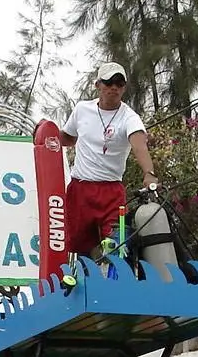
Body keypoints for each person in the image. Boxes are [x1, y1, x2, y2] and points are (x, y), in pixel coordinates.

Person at [61, 62, 158, 259]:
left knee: (117, 246)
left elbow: (139, 146)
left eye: (119, 83)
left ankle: (117, 283)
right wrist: (46, 135)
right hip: (80, 190)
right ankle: (84, 284)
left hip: (111, 192)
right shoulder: (82, 110)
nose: (114, 87)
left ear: (124, 87)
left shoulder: (129, 117)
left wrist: (149, 173)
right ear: (98, 85)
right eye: (108, 82)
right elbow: (67, 137)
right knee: (81, 251)